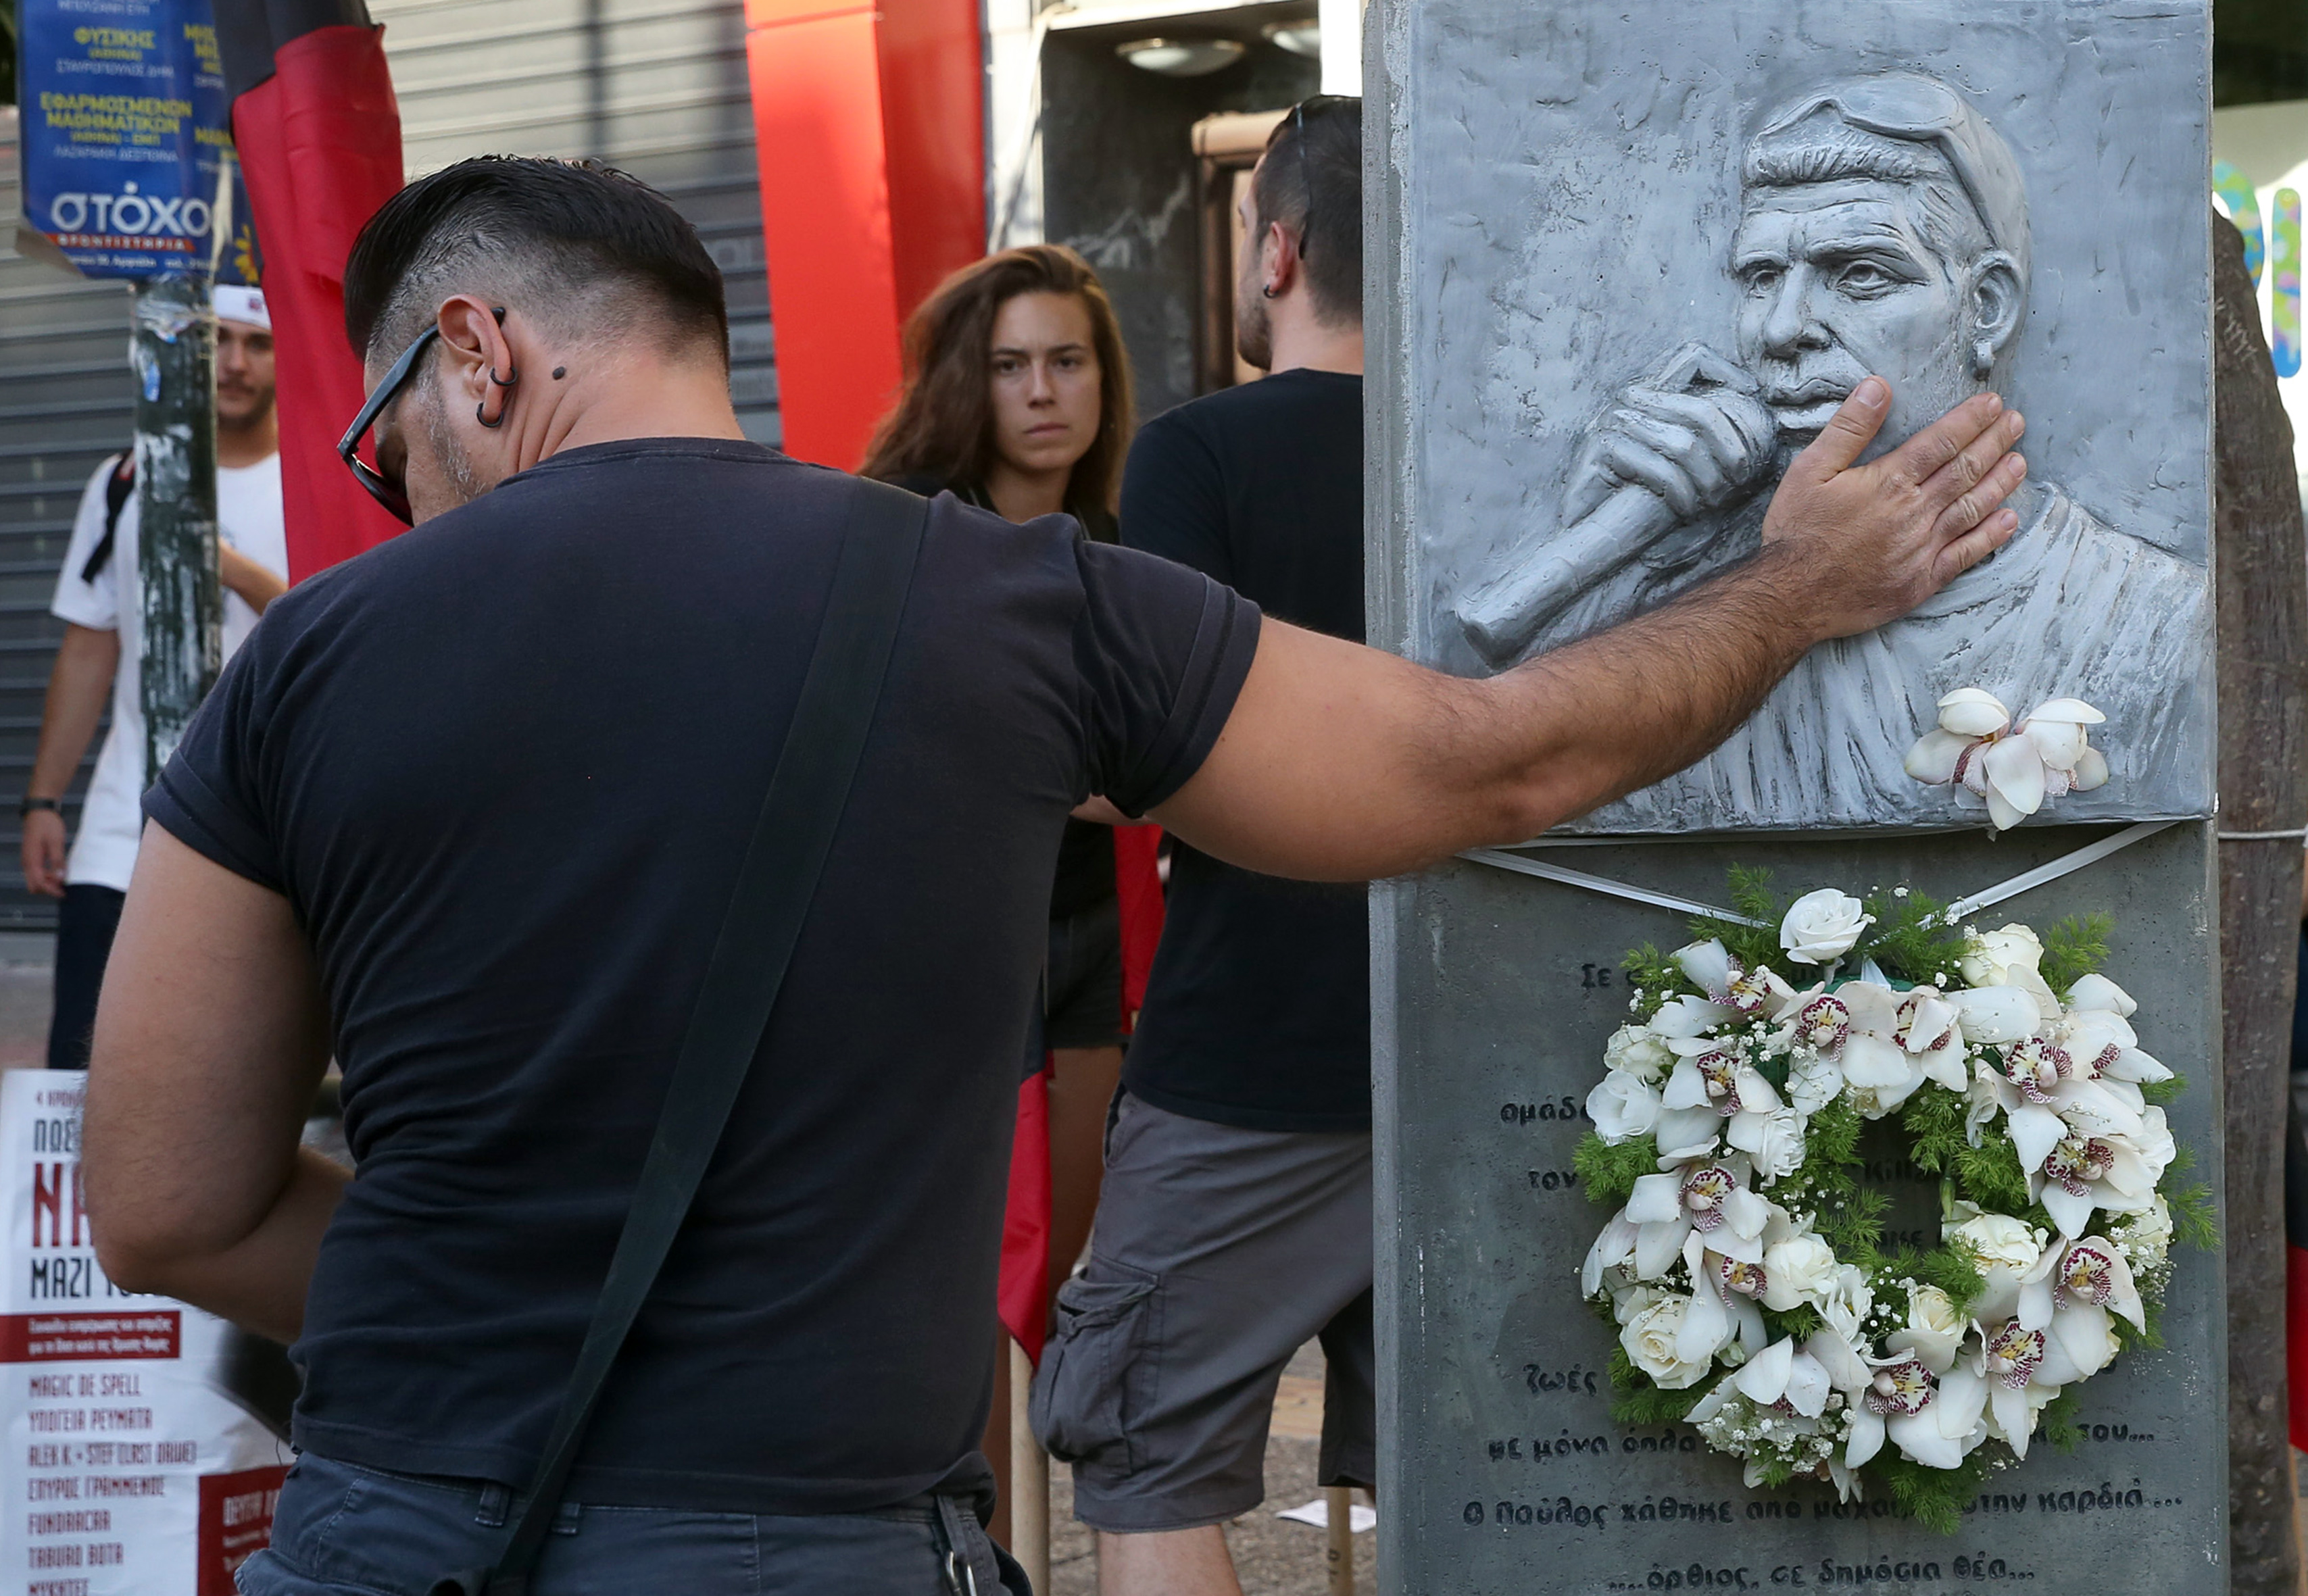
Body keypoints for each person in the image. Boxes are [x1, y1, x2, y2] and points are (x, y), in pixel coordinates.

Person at [78, 155, 2024, 1595]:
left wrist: (484, 1288)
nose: (393, 489)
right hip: (818, 1544)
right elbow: (1483, 759)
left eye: (383, 437)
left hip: (399, 1529)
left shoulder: (307, 668)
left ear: (475, 352)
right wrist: (1797, 585)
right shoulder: (1019, 607)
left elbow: (163, 1203)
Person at [1454, 72, 2204, 832]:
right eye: (1761, 277)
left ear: (1985, 308)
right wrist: (1608, 577)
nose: (1781, 330)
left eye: (1859, 275)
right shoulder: (1672, 587)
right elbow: (1514, 797)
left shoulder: (2150, 617)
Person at [1026, 96, 1379, 1596]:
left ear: (1279, 245)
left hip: (1254, 1057)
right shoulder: (1507, 446)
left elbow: (1153, 755)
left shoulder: (1200, 449)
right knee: (1495, 1462)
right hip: (1493, 1048)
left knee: (1148, 1459)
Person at [861, 242, 1148, 1542]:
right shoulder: (905, 528)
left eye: (1068, 361)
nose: (1043, 391)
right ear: (965, 383)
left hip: (1089, 931)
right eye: (1012, 363)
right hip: (938, 932)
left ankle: (1001, 1533)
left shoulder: (1132, 537)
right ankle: (961, 1546)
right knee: (961, 1276)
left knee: (1048, 1266)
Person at [20, 284, 289, 1070]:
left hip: (267, 830)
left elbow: (339, 629)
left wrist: (231, 568)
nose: (234, 363)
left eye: (256, 343)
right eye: (216, 343)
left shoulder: (315, 481)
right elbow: (88, 650)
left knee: (235, 1071)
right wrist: (43, 798)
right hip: (119, 828)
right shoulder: (123, 481)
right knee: (81, 1064)